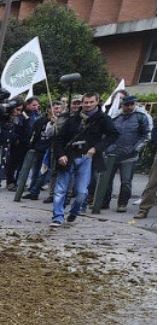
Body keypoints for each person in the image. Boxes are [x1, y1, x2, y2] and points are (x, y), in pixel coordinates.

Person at [50, 92, 115, 227]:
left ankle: (75, 211)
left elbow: (113, 135)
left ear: (97, 102)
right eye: (86, 102)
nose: (88, 105)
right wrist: (61, 154)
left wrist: (96, 148)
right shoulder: (73, 119)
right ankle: (57, 216)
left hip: (88, 158)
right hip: (69, 156)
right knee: (60, 189)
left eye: (91, 102)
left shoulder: (103, 119)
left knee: (81, 191)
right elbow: (59, 138)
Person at [104, 95, 153, 212]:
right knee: (106, 180)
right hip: (112, 154)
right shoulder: (115, 116)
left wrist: (135, 149)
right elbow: (107, 133)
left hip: (129, 156)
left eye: (132, 104)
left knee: (126, 182)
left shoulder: (141, 117)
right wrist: (107, 147)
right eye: (127, 105)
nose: (129, 107)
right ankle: (104, 202)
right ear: (122, 105)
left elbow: (146, 136)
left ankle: (122, 204)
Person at [22, 100, 64, 200]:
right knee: (35, 171)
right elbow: (35, 134)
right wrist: (32, 146)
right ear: (49, 109)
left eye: (59, 108)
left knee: (44, 172)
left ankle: (35, 191)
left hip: (51, 150)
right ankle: (33, 190)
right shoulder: (41, 121)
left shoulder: (62, 121)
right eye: (55, 108)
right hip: (39, 148)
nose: (57, 110)